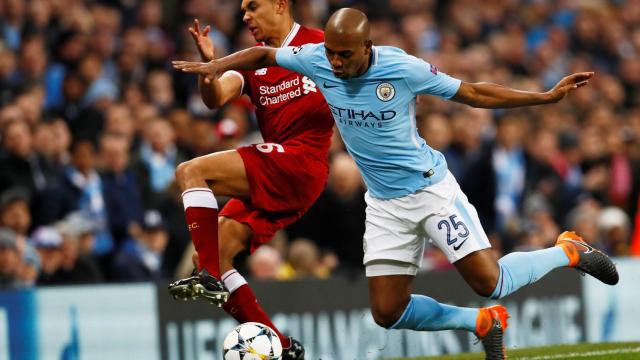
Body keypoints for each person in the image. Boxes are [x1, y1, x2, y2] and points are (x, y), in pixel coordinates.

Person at [173, 8, 619, 359]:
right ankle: (483, 324)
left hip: (429, 191)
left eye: (345, 55)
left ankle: (568, 251)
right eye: (330, 53)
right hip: (384, 204)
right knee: (387, 313)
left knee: (490, 281)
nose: (335, 63)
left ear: (367, 46)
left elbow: (473, 92)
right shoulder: (315, 59)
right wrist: (216, 66)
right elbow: (263, 55)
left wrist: (543, 96)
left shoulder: (403, 68)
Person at [168, 0, 334, 357]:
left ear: (280, 4)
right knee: (211, 254)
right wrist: (208, 70)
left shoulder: (320, 43)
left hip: (303, 162)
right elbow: (215, 99)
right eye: (243, 10)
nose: (245, 16)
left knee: (191, 171)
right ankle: (284, 347)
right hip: (280, 173)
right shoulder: (250, 61)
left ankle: (208, 276)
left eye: (253, 6)